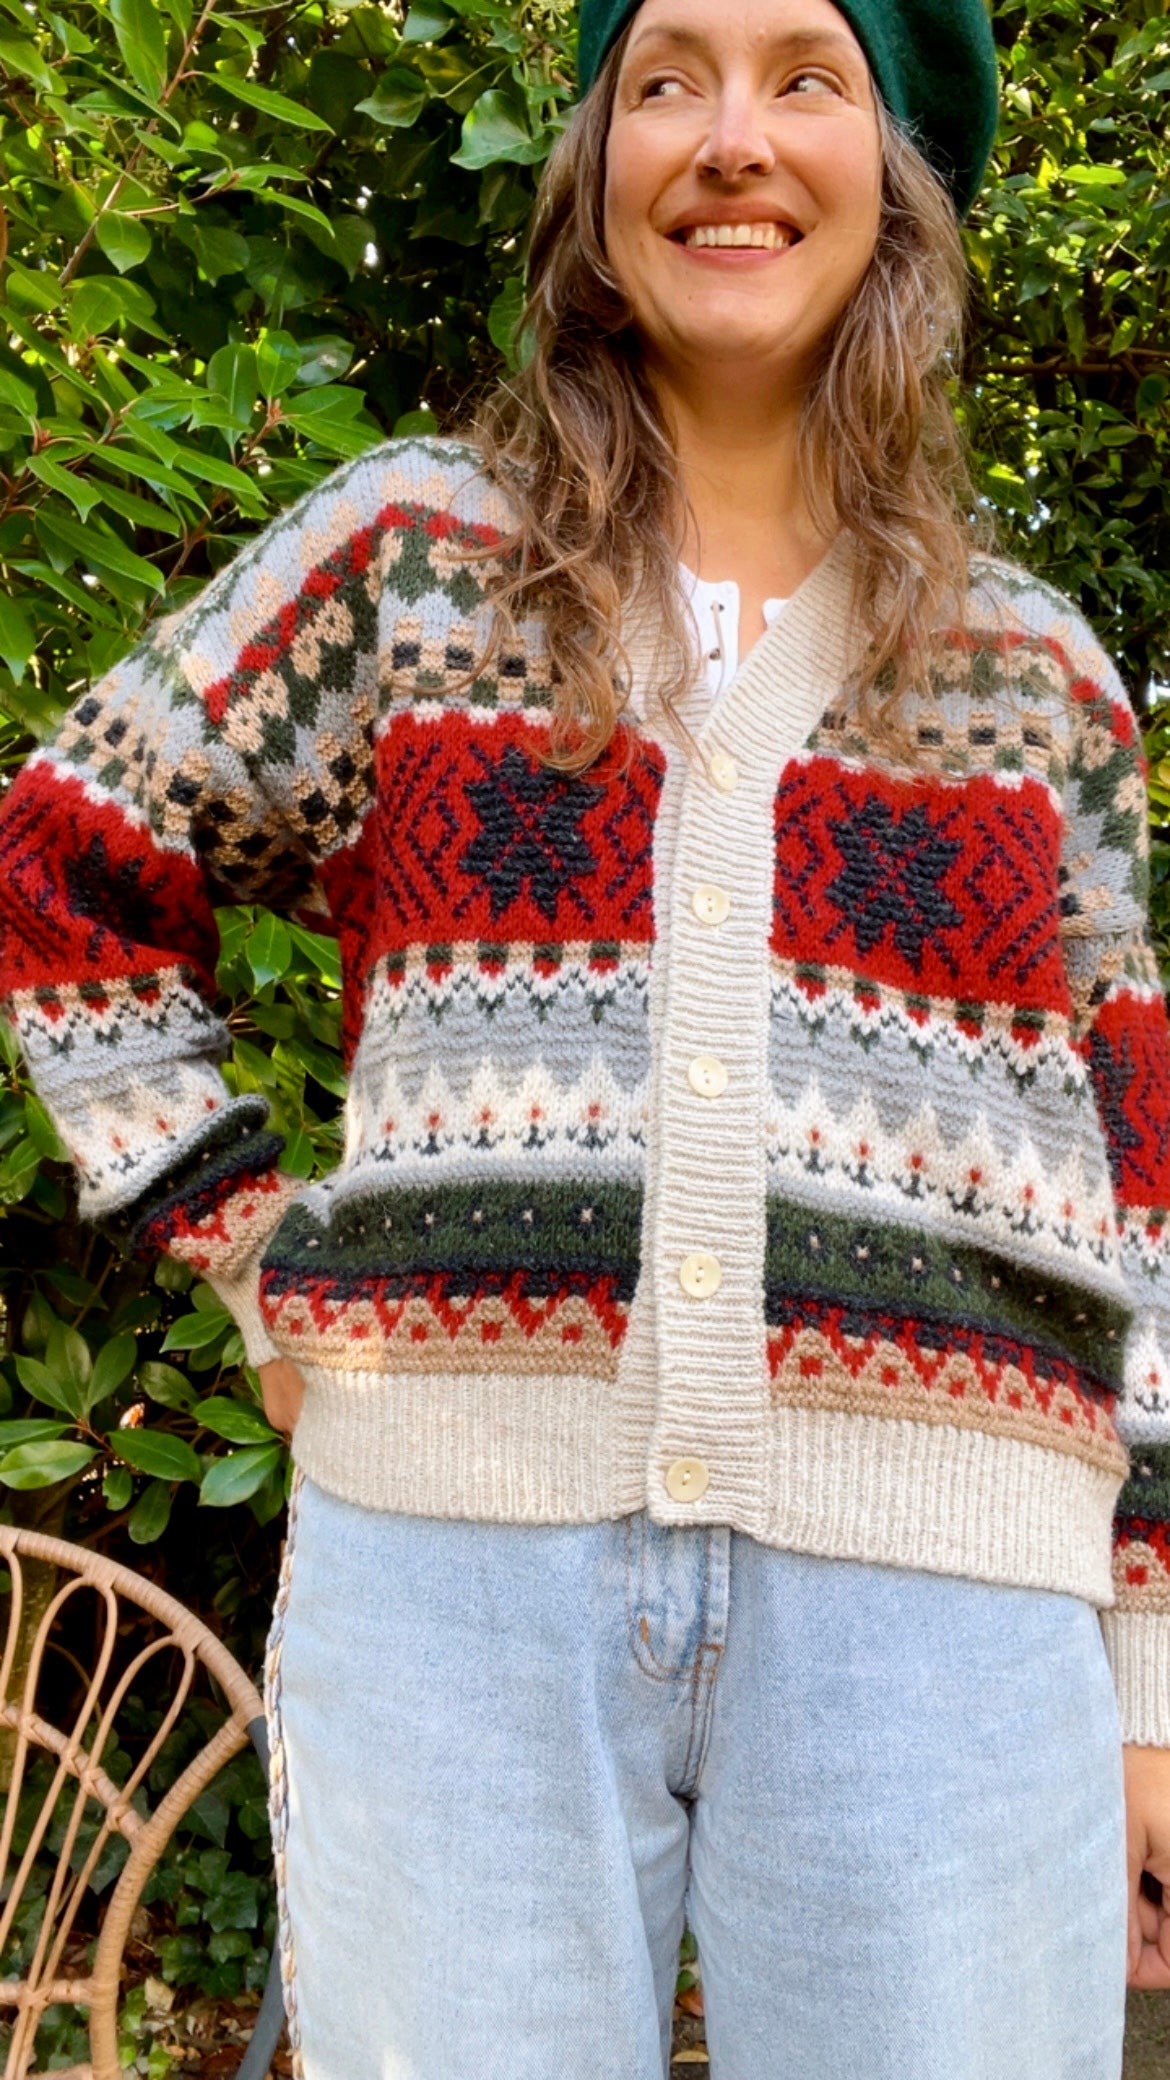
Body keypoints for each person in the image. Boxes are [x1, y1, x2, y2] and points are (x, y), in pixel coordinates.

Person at [2, 0, 1169, 2072]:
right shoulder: (407, 567)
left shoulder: (1040, 686)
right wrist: (257, 1252)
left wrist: (1151, 1664)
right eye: (665, 81)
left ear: (898, 172)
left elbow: (1138, 1191)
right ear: (594, 168)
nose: (730, 139)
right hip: (460, 1586)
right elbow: (60, 858)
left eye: (805, 77)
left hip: (947, 1609)